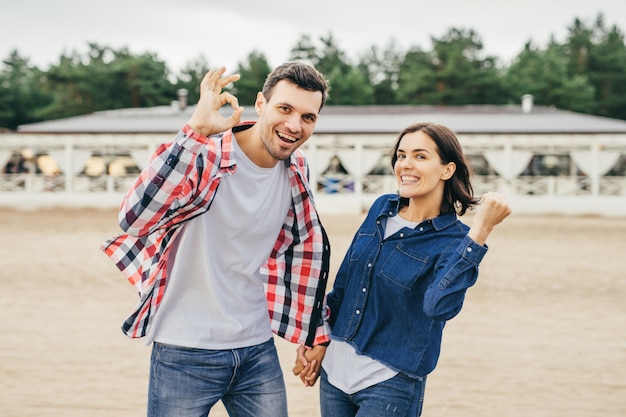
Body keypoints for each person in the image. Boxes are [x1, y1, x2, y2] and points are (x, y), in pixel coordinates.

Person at [101, 62, 332, 417]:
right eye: (284, 109)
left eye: (308, 117)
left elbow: (301, 253)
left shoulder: (297, 169)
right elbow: (133, 218)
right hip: (184, 347)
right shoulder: (204, 153)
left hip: (257, 348)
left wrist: (313, 330)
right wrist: (194, 130)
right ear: (260, 104)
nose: (294, 125)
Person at [295, 122, 512, 416]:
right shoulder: (381, 207)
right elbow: (345, 283)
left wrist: (480, 230)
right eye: (401, 155)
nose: (406, 165)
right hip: (334, 374)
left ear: (447, 170)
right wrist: (320, 340)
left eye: (420, 156)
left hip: (389, 384)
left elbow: (439, 306)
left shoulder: (456, 241)